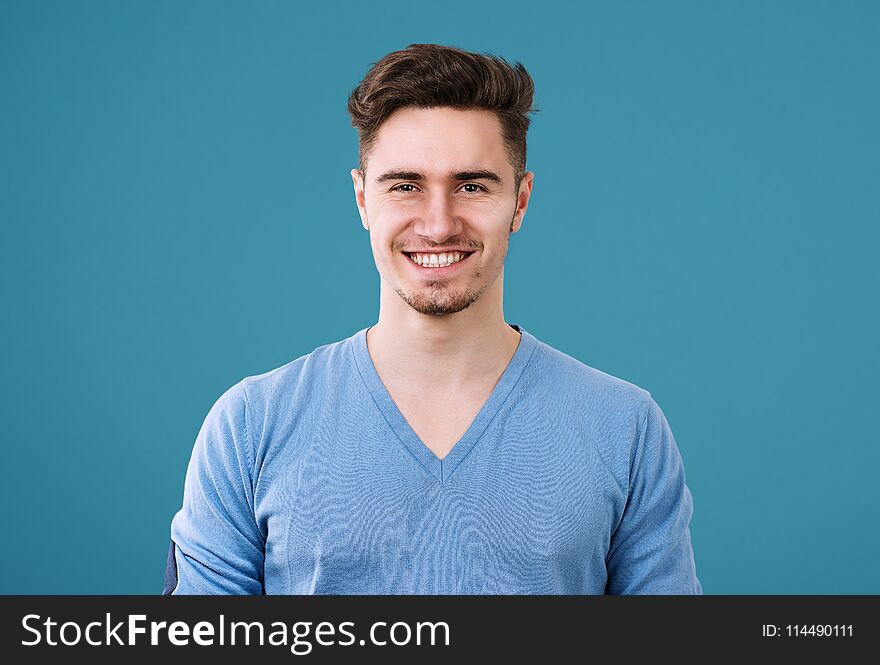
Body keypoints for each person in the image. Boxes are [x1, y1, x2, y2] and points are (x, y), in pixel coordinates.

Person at [164, 43, 703, 595]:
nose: (439, 224)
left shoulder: (626, 428)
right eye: (405, 186)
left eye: (471, 185)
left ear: (519, 201)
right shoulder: (250, 426)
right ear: (362, 200)